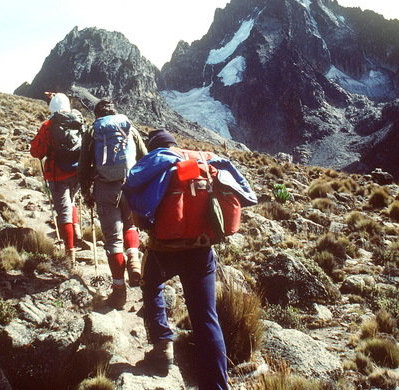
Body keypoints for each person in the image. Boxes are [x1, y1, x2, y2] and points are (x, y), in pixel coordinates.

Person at [123, 129, 256, 390]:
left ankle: (162, 345)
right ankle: (217, 385)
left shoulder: (159, 157)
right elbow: (244, 192)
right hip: (202, 248)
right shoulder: (204, 160)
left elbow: (131, 183)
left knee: (151, 286)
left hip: (166, 248)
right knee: (206, 317)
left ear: (154, 147)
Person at [78, 99, 147, 309]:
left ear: (97, 115)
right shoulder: (129, 127)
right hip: (130, 185)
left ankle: (119, 292)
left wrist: (86, 192)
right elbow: (145, 157)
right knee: (130, 225)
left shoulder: (93, 131)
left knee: (113, 240)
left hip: (105, 189)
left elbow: (83, 166)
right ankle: (134, 260)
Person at [30, 93, 83, 266]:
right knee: (72, 201)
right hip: (76, 171)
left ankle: (70, 253)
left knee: (64, 211)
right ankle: (77, 235)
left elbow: (36, 152)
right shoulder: (77, 120)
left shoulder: (48, 125)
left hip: (57, 173)